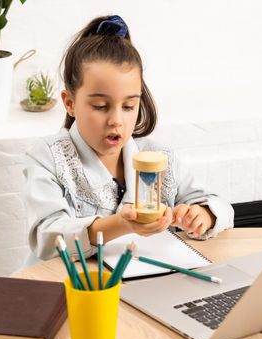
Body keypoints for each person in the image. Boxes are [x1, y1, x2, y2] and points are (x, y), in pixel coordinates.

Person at [23, 15, 234, 265]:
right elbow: (48, 238)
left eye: (129, 105)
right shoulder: (48, 157)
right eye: (101, 106)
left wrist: (202, 214)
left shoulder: (160, 157)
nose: (116, 120)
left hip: (140, 286)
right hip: (70, 289)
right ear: (70, 103)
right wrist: (120, 224)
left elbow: (220, 206)